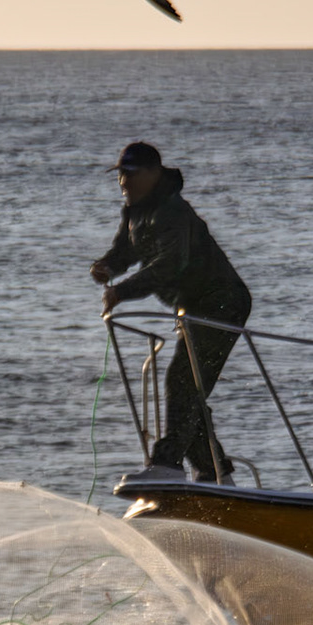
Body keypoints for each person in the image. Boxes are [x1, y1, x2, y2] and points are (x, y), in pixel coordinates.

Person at [91, 141, 252, 481]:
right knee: (188, 388)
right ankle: (214, 473)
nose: (124, 182)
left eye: (131, 175)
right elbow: (125, 250)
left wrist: (122, 291)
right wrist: (107, 267)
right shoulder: (136, 211)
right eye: (120, 175)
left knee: (182, 381)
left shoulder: (173, 211)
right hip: (192, 308)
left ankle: (167, 465)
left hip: (221, 303)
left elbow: (170, 266)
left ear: (153, 173)